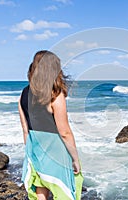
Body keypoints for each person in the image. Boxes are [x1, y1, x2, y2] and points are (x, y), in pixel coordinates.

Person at [18, 50, 83, 200]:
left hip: (35, 148)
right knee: (64, 192)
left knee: (41, 188)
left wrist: (31, 154)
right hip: (55, 150)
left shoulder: (23, 94)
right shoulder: (55, 94)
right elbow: (64, 132)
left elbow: (25, 130)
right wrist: (75, 159)